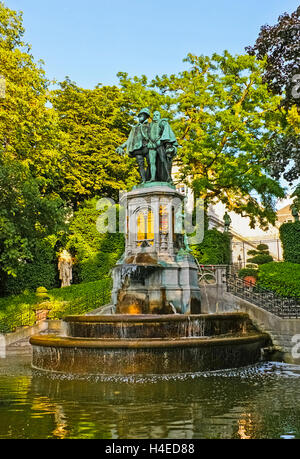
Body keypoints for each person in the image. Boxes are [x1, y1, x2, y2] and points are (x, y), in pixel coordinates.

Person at [116, 108, 150, 183]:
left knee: (150, 163)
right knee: (140, 165)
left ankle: (150, 179)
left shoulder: (149, 125)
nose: (140, 117)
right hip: (137, 149)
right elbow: (129, 140)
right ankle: (143, 180)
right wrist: (122, 146)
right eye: (139, 116)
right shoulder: (134, 128)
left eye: (141, 115)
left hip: (147, 147)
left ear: (146, 116)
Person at [147, 111, 178, 182]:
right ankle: (153, 178)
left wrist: (163, 140)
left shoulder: (162, 122)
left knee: (163, 160)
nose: (155, 116)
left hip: (159, 143)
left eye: (157, 115)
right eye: (154, 115)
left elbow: (166, 130)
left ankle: (168, 177)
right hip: (151, 144)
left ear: (159, 116)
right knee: (152, 162)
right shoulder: (150, 125)